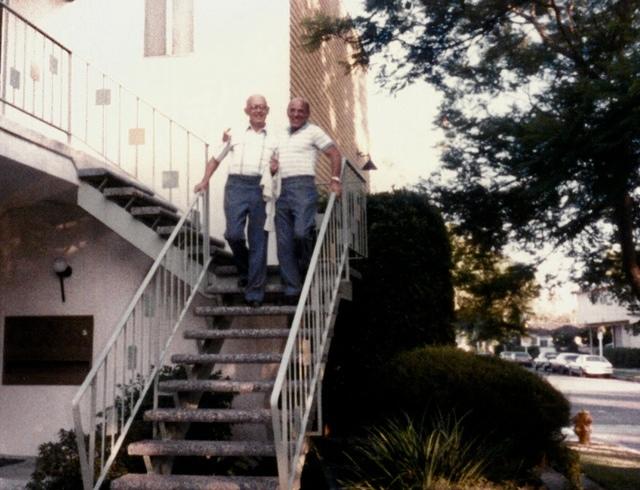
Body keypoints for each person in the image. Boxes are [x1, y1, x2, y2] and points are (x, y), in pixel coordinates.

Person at [194, 94, 277, 307]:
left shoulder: (275, 139)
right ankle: (246, 269)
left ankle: (255, 293)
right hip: (236, 186)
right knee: (233, 234)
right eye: (254, 107)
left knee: (259, 239)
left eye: (262, 107)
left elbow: (280, 169)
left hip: (261, 187)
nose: (258, 110)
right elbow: (215, 159)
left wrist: (276, 171)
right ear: (247, 111)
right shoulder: (234, 134)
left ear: (267, 111)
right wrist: (204, 181)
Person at [273, 97, 342, 303]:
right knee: (284, 242)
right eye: (292, 110)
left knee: (302, 233)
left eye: (300, 111)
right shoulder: (280, 135)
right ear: (287, 112)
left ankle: (307, 267)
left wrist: (335, 179)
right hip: (281, 189)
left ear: (307, 114)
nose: (296, 114)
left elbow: (334, 153)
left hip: (303, 187)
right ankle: (292, 290)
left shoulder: (314, 131)